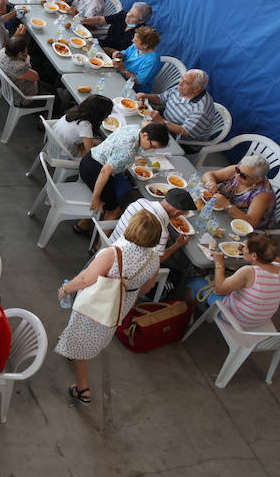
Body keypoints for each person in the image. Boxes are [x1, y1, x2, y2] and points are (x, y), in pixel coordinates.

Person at [55, 210, 162, 404]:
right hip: (119, 305)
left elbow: (85, 279)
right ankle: (72, 348)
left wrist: (65, 288)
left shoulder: (113, 254)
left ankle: (83, 388)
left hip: (95, 305)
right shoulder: (154, 258)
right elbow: (148, 286)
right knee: (94, 336)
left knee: (82, 343)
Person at [190, 233, 280, 328]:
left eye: (245, 248)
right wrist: (269, 254)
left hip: (237, 319)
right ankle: (203, 306)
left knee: (195, 282)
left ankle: (187, 314)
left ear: (254, 256)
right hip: (259, 320)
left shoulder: (249, 271)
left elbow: (220, 289)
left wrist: (219, 264)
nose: (242, 249)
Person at [78, 121, 171, 222]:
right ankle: (101, 235)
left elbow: (145, 123)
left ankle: (83, 225)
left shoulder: (135, 127)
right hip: (94, 171)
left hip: (90, 157)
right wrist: (95, 197)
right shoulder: (127, 152)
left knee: (117, 192)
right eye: (152, 146)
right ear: (145, 135)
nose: (152, 150)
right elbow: (104, 172)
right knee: (115, 211)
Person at [108, 187, 196, 262]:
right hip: (122, 260)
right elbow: (157, 261)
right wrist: (177, 245)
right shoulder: (161, 231)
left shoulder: (140, 201)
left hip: (110, 244)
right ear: (176, 212)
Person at [139, 68, 222, 142]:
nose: (180, 83)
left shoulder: (201, 108)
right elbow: (161, 99)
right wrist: (146, 96)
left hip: (179, 139)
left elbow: (186, 132)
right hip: (163, 122)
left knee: (142, 138)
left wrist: (162, 122)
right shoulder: (181, 88)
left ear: (197, 89)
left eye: (186, 82)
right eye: (182, 78)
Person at [203, 155, 278, 230]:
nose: (237, 176)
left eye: (243, 176)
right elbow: (210, 174)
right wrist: (211, 182)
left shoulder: (263, 194)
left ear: (258, 179)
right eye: (237, 170)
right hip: (222, 213)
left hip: (243, 229)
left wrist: (226, 205)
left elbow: (251, 223)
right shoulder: (241, 170)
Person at [112, 25, 162, 93]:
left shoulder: (152, 61)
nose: (133, 41)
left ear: (145, 45)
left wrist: (123, 70)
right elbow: (126, 54)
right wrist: (120, 55)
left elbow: (139, 81)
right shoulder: (137, 47)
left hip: (132, 90)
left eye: (136, 40)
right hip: (119, 76)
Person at [0, 32, 39, 97]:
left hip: (8, 85)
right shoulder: (21, 66)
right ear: (20, 54)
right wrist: (26, 57)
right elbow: (36, 77)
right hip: (21, 95)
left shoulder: (2, 52)